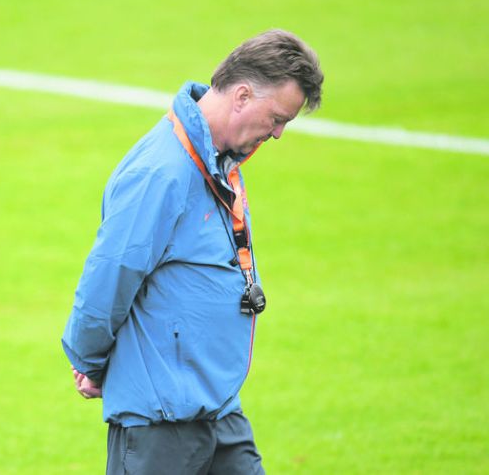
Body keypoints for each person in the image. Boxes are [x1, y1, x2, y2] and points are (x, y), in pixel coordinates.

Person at [61, 28, 323, 474]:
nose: (278, 133)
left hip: (219, 410)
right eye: (277, 117)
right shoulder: (161, 172)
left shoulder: (219, 161)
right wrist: (89, 359)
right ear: (241, 95)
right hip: (161, 425)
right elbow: (110, 276)